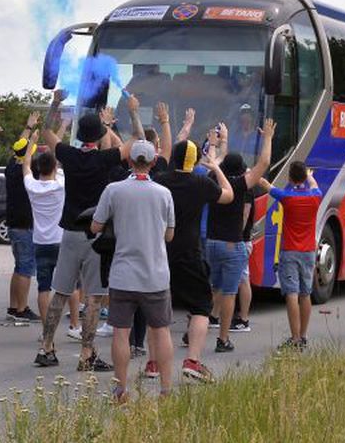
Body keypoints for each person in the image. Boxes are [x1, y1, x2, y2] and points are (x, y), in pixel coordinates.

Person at [34, 99, 137, 372]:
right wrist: (133, 112)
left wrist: (55, 103)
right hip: (96, 235)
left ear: (79, 134)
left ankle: (46, 348)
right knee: (93, 296)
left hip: (68, 233)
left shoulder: (68, 155)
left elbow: (47, 132)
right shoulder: (105, 159)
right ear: (101, 135)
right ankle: (86, 354)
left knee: (60, 292)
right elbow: (136, 140)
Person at [91, 139, 175, 402]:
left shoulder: (113, 190)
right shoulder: (164, 193)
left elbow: (95, 226)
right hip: (156, 275)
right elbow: (170, 235)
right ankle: (165, 390)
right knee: (161, 330)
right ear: (152, 163)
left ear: (129, 161)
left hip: (123, 274)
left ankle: (120, 390)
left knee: (120, 332)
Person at [155, 139, 233, 382]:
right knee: (201, 306)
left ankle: (153, 363)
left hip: (160, 251)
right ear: (196, 160)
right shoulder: (201, 183)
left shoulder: (161, 180)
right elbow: (229, 195)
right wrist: (217, 168)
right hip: (189, 253)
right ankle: (193, 361)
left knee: (157, 309)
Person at [207, 119, 275, 352]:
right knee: (229, 292)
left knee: (214, 286)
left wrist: (216, 144)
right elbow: (264, 162)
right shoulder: (239, 186)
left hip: (211, 244)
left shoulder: (212, 181)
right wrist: (267, 137)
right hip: (231, 244)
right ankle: (223, 339)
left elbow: (215, 163)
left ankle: (203, 321)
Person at [254, 162, 322, 349]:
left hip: (289, 251)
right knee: (305, 293)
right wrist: (309, 174)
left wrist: (251, 172)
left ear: (290, 178)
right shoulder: (316, 196)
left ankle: (295, 338)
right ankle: (304, 335)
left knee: (291, 293)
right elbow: (314, 184)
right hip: (308, 252)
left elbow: (266, 185)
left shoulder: (287, 197)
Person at [22, 146, 65, 322]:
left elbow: (25, 166)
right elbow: (61, 163)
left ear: (38, 168)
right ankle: (75, 325)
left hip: (40, 241)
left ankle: (46, 329)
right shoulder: (60, 184)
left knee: (43, 288)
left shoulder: (31, 186)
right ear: (54, 167)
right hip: (60, 241)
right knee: (67, 287)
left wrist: (30, 145)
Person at [4, 119, 40, 323]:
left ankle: (12, 306)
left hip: (14, 224)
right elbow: (25, 156)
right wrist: (31, 138)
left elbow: (20, 149)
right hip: (25, 226)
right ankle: (21, 308)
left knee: (19, 267)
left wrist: (27, 128)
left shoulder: (11, 167)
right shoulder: (24, 172)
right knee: (25, 268)